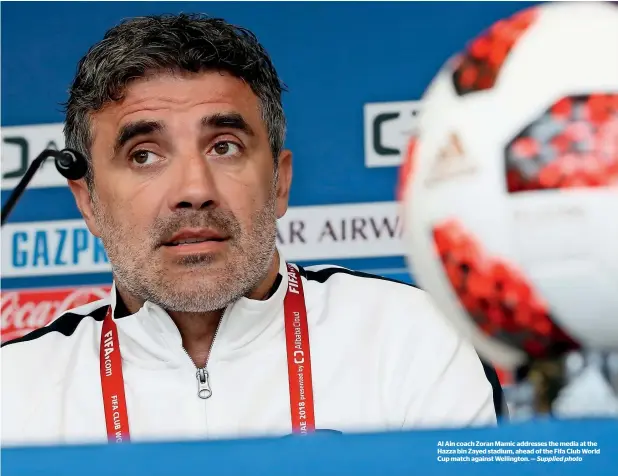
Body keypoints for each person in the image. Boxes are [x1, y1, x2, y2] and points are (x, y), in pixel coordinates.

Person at [1, 13, 502, 446]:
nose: (194, 189)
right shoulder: (16, 388)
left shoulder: (411, 337)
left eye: (224, 146)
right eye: (144, 155)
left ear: (279, 182)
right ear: (87, 201)